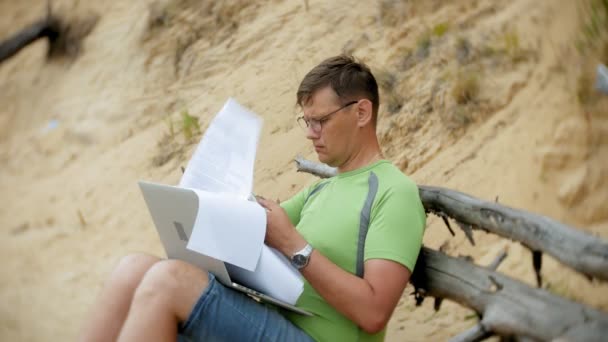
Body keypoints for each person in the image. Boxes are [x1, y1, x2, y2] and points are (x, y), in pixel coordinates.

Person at [80, 55, 426, 342]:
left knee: (168, 281)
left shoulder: (394, 193)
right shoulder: (323, 188)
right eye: (306, 121)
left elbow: (374, 313)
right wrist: (210, 198)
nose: (310, 133)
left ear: (361, 113)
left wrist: (295, 246)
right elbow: (258, 224)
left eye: (320, 121)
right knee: (134, 269)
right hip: (272, 322)